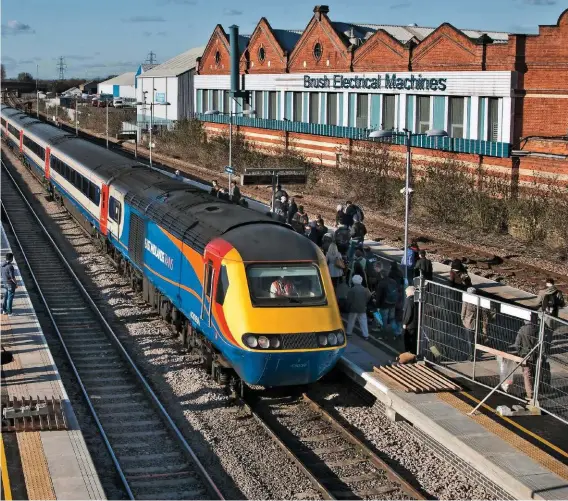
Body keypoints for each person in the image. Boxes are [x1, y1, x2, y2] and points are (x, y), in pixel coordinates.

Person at [514, 315, 539, 401]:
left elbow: (517, 344)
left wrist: (519, 352)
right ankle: (536, 390)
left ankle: (529, 394)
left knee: (526, 375)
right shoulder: (537, 329)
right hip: (535, 355)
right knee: (535, 373)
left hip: (525, 355)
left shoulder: (522, 330)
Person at [346, 275, 372, 339]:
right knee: (363, 322)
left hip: (353, 308)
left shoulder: (352, 290)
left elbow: (349, 300)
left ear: (353, 281)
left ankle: (349, 333)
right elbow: (368, 297)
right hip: (362, 308)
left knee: (351, 321)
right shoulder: (365, 289)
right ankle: (366, 335)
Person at [375, 269, 400, 334]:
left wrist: (377, 305)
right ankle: (396, 332)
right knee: (392, 319)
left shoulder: (381, 283)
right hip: (393, 303)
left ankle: (384, 333)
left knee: (384, 319)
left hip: (384, 304)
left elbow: (379, 296)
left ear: (381, 275)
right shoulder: (393, 281)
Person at [461, 287, 477, 361]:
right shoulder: (477, 300)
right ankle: (474, 355)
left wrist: (462, 319)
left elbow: (463, 312)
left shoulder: (466, 300)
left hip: (467, 323)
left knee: (468, 340)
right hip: (476, 324)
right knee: (474, 340)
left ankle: (470, 356)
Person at [402, 286, 418, 354]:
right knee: (414, 340)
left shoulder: (408, 301)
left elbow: (408, 313)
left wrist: (405, 323)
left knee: (408, 340)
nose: (406, 294)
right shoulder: (416, 299)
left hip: (410, 325)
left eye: (406, 292)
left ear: (410, 292)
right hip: (415, 323)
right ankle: (413, 353)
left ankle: (409, 354)